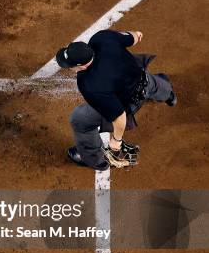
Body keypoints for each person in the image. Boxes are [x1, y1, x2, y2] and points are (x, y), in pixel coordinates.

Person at [56, 29, 177, 170]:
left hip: (127, 103)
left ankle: (95, 160)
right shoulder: (102, 38)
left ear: (80, 66)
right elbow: (135, 36)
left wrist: (116, 141)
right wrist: (137, 35)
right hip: (144, 80)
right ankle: (169, 95)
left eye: (69, 64)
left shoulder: (88, 84)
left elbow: (119, 117)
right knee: (152, 83)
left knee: (80, 119)